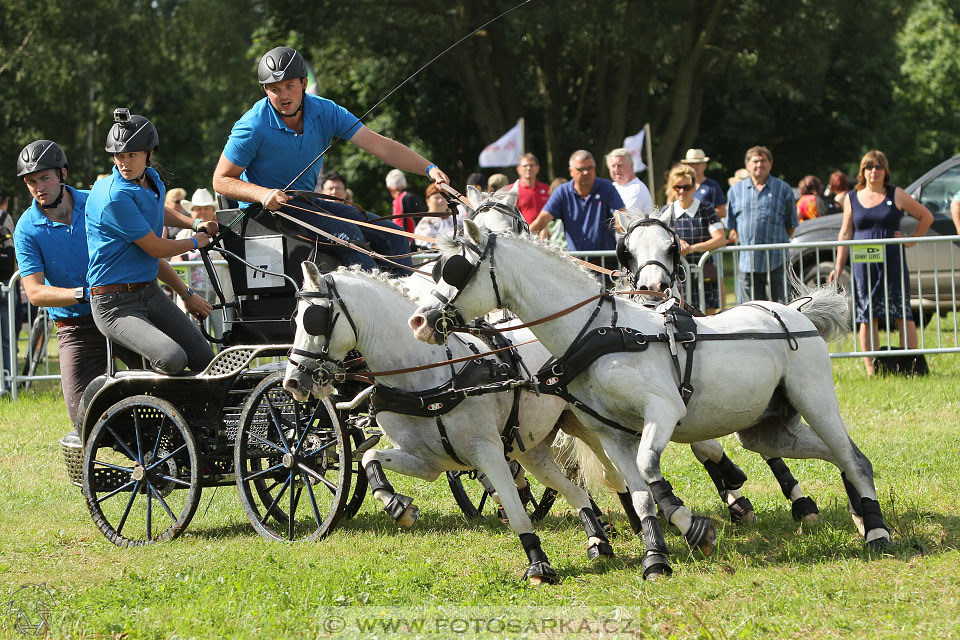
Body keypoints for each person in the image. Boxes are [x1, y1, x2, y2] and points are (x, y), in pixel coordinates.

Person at [213, 46, 447, 271]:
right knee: (348, 236)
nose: (283, 95)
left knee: (393, 236)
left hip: (304, 204)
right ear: (265, 90)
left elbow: (379, 145)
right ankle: (366, 310)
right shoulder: (252, 126)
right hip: (263, 213)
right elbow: (221, 180)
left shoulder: (326, 111)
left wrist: (429, 168)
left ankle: (405, 307)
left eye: (289, 86)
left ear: (304, 83)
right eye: (275, 89)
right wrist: (262, 194)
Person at [12, 140, 138, 440]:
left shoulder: (96, 201)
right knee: (83, 418)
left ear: (62, 173)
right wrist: (83, 293)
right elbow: (35, 292)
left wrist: (184, 292)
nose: (39, 187)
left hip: (120, 311)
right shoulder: (26, 228)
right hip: (74, 327)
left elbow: (141, 235)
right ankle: (131, 450)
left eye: (45, 177)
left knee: (165, 379)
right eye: (31, 182)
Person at [85, 110, 217, 376]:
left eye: (132, 154)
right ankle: (158, 413)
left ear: (149, 154)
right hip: (114, 304)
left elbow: (158, 210)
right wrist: (195, 241)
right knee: (173, 358)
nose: (124, 162)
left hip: (149, 292)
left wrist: (193, 223)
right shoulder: (115, 197)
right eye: (119, 156)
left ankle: (203, 416)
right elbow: (156, 249)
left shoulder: (152, 180)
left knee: (206, 359)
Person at [829, 150, 933, 376]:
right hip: (862, 265)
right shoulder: (851, 198)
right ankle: (871, 369)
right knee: (867, 315)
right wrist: (838, 266)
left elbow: (926, 217)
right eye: (869, 167)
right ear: (862, 171)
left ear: (885, 171)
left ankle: (910, 366)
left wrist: (910, 241)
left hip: (892, 262)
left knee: (901, 312)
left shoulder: (897, 194)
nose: (873, 171)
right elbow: (845, 233)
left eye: (878, 167)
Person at [726, 145, 798, 303]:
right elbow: (732, 226)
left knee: (782, 307)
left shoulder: (783, 189)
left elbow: (791, 225)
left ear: (770, 164)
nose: (760, 164)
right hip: (747, 261)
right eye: (755, 161)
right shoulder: (735, 191)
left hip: (777, 259)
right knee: (751, 310)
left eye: (763, 161)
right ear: (747, 165)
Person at [529, 151, 625, 267]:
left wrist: (621, 220)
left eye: (590, 168)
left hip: (606, 264)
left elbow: (620, 212)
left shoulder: (606, 187)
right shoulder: (562, 192)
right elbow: (541, 221)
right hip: (577, 266)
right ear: (571, 171)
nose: (586, 173)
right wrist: (518, 240)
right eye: (580, 169)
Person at [661, 164, 727, 313]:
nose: (682, 191)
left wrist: (692, 248)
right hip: (677, 276)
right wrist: (675, 242)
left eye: (687, 187)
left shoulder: (707, 209)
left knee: (708, 316)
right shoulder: (665, 212)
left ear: (694, 187)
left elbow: (720, 239)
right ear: (672, 188)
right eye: (678, 187)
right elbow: (659, 240)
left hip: (704, 272)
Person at [173, 188, 228, 340]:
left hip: (218, 294)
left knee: (223, 334)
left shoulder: (222, 234)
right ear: (191, 212)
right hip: (192, 293)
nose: (202, 212)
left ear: (213, 211)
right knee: (198, 338)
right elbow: (175, 262)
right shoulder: (182, 234)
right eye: (198, 209)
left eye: (206, 208)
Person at [0, 187, 16, 393]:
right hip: (5, 283)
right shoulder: (5, 217)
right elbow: (12, 251)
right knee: (7, 336)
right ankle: (10, 382)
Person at [680, 148, 727, 219]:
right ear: (686, 166)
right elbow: (670, 207)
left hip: (707, 228)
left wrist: (701, 212)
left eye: (698, 163)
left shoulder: (713, 186)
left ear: (705, 165)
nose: (694, 166)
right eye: (691, 164)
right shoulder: (679, 186)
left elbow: (722, 212)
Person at [413, 183, 463, 247]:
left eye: (444, 197)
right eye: (437, 198)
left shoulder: (456, 220)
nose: (441, 200)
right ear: (428, 201)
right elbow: (426, 247)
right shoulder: (426, 223)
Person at [605, 148, 653, 212]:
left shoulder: (636, 189)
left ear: (631, 166)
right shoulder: (612, 187)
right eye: (613, 166)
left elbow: (623, 218)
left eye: (620, 165)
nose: (616, 170)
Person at [512, 153, 551, 225]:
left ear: (538, 168)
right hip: (523, 234)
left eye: (532, 165)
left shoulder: (547, 190)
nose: (529, 168)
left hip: (547, 234)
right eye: (525, 166)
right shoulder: (512, 191)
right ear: (518, 169)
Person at [386, 168, 426, 237]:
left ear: (390, 189)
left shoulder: (399, 200)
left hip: (410, 244)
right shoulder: (416, 197)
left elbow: (398, 227)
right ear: (406, 183)